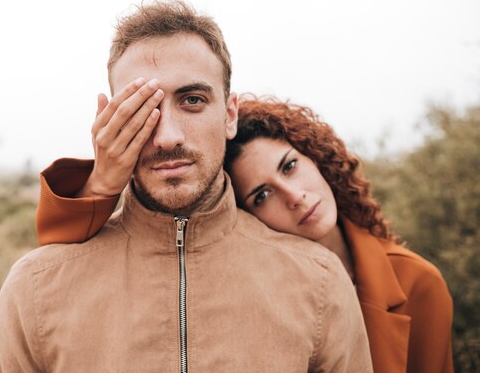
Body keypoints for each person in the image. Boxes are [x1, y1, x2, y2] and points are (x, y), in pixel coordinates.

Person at [0, 0, 373, 372]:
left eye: (193, 100)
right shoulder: (33, 288)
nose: (167, 137)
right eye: (142, 106)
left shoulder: (319, 281)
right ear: (109, 117)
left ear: (229, 114)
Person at [36, 96, 454, 373]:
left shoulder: (418, 284)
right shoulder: (250, 287)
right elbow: (56, 253)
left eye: (289, 166)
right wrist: (102, 183)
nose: (293, 196)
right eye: (262, 195)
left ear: (318, 157)